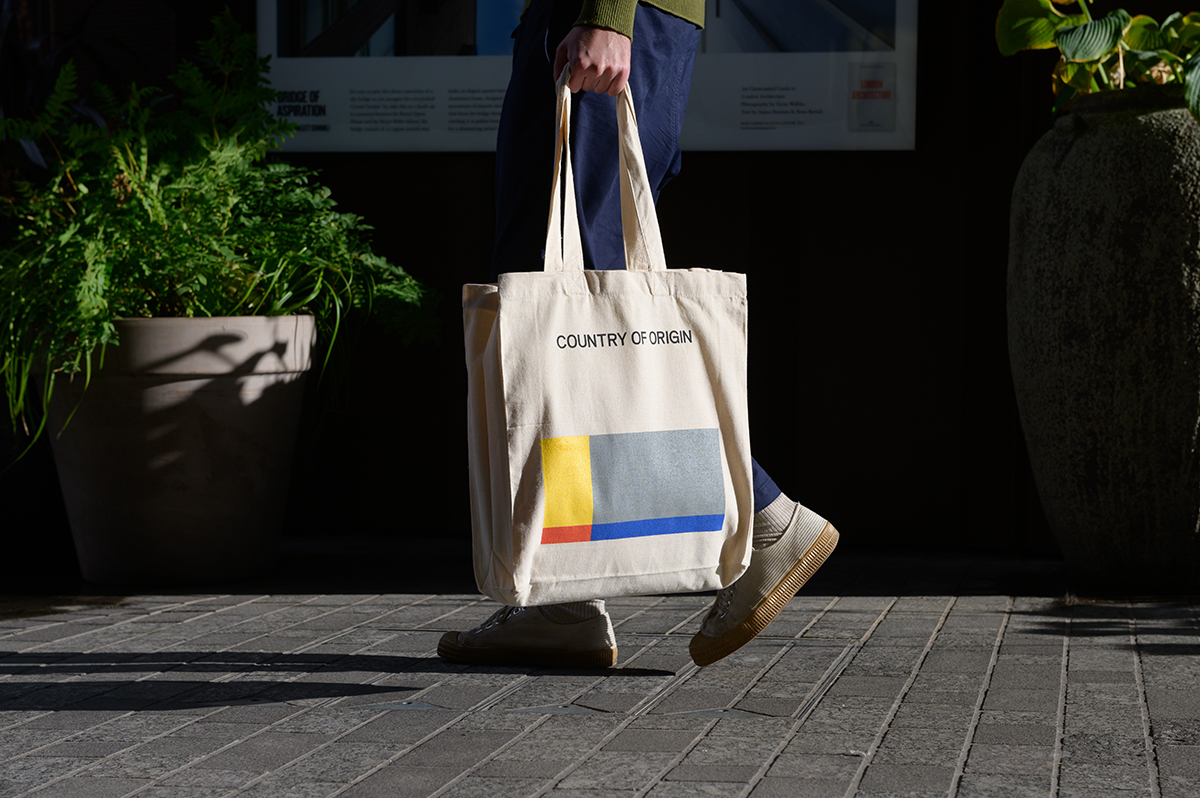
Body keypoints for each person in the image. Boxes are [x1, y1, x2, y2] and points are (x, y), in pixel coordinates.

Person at [438, 0, 838, 669]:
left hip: (599, 17)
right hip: (581, 18)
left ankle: (767, 522)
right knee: (556, 305)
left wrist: (609, 14)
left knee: (575, 295)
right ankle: (562, 599)